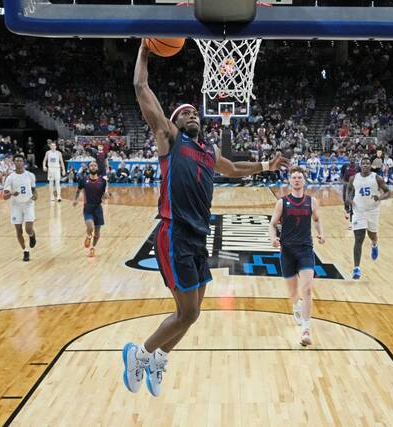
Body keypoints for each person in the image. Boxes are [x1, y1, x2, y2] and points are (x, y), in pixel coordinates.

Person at [122, 40, 288, 398]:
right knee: (185, 313)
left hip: (199, 236)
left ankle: (159, 357)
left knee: (193, 313)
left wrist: (265, 166)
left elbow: (235, 169)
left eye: (195, 112)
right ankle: (140, 354)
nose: (192, 115)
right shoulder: (169, 139)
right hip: (174, 233)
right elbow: (140, 87)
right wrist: (144, 51)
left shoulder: (209, 151)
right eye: (185, 113)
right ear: (174, 122)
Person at [269, 166, 325, 346]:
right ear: (289, 181)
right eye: (294, 177)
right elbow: (272, 224)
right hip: (287, 250)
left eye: (300, 177)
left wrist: (321, 233)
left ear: (304, 180)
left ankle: (306, 330)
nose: (297, 180)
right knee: (293, 292)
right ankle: (296, 306)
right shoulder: (282, 202)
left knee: (307, 289)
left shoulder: (312, 201)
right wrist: (273, 238)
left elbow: (316, 220)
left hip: (305, 249)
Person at [346, 157, 391, 280]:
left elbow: (388, 192)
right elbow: (349, 189)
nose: (365, 165)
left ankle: (375, 244)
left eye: (367, 163)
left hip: (373, 210)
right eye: (363, 163)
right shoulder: (353, 178)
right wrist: (349, 199)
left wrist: (380, 198)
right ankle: (356, 268)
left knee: (372, 235)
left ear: (370, 165)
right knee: (358, 239)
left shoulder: (377, 178)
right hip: (359, 211)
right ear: (360, 165)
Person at [3, 154, 38, 262]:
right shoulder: (10, 178)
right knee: (18, 230)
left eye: (20, 161)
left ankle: (32, 235)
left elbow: (34, 190)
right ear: (14, 163)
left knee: (28, 228)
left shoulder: (30, 175)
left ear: (24, 162)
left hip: (28, 203)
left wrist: (36, 195)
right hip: (16, 205)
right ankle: (25, 251)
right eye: (16, 161)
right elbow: (5, 197)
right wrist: (12, 193)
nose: (18, 162)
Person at [73, 161, 108, 257]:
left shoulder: (103, 181)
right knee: (90, 227)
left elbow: (104, 195)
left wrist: (106, 196)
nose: (93, 167)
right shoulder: (83, 180)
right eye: (91, 165)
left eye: (95, 165)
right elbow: (78, 190)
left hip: (98, 208)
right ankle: (88, 236)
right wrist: (75, 200)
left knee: (97, 233)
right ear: (89, 168)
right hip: (88, 208)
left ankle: (93, 248)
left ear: (97, 168)